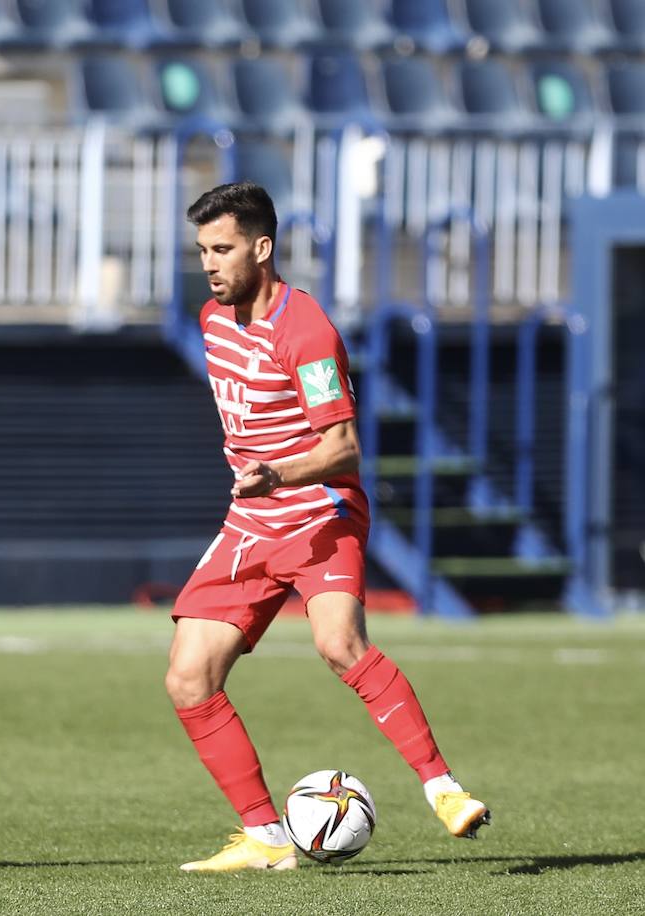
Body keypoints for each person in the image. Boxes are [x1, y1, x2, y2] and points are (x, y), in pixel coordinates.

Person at [167, 182, 490, 872]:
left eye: (222, 249)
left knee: (339, 643)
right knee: (189, 679)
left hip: (318, 511)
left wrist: (277, 473)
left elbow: (344, 449)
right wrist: (261, 487)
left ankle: (445, 791)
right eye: (202, 251)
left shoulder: (307, 332)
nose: (210, 264)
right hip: (252, 521)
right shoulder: (212, 319)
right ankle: (266, 838)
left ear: (262, 248)